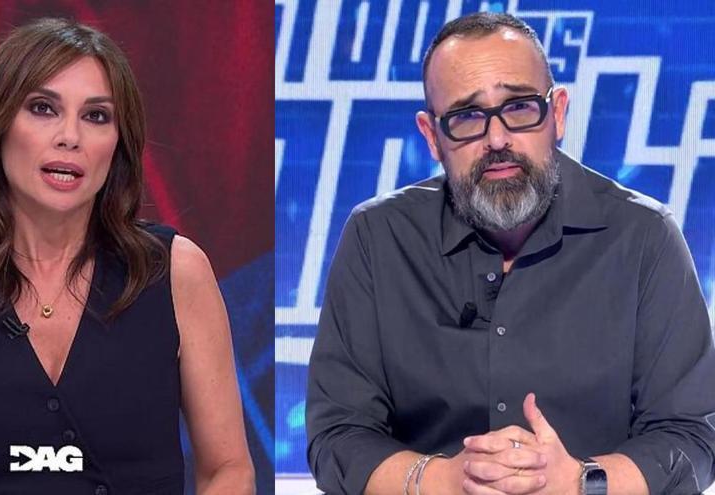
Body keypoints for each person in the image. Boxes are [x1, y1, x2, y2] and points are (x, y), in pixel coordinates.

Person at [306, 12, 715, 495]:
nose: (497, 139)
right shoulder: (378, 238)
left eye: (519, 107)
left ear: (557, 113)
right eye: (466, 117)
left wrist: (580, 482)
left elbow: (692, 435)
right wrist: (444, 480)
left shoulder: (644, 237)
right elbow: (338, 434)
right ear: (432, 136)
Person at [0, 18, 254, 494]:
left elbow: (228, 470)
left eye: (96, 116)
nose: (70, 136)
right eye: (43, 108)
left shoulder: (175, 272)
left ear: (118, 144)